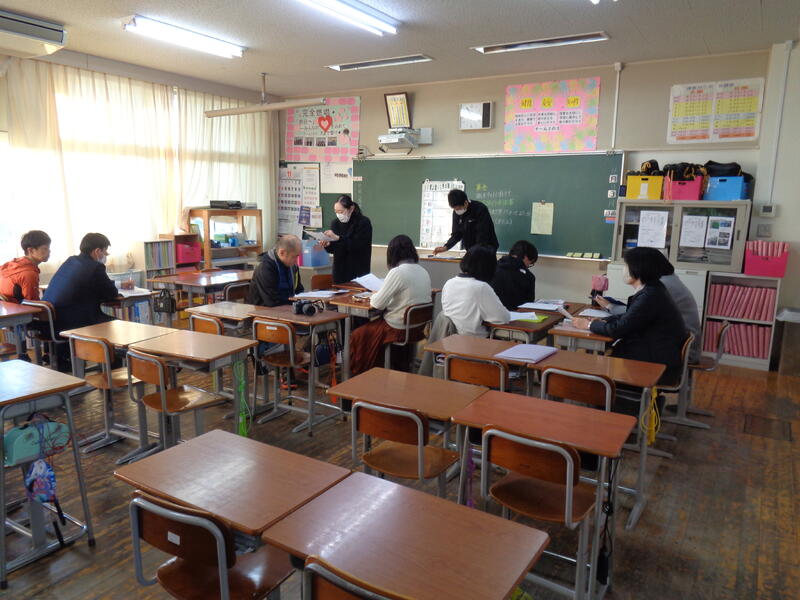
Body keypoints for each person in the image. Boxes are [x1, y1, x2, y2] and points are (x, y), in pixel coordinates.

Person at [571, 246, 688, 383]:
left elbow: (618, 330)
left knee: (592, 371)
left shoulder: (650, 296)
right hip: (655, 354)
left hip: (654, 364)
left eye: (626, 265)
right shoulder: (653, 289)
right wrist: (606, 320)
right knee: (598, 363)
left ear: (639, 268)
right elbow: (630, 316)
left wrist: (588, 325)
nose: (624, 270)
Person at [596, 248, 701, 364]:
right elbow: (637, 313)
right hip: (667, 344)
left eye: (627, 265)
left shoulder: (658, 288)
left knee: (610, 354)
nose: (624, 269)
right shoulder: (660, 283)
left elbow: (635, 315)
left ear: (642, 266)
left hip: (670, 350)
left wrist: (609, 308)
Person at [348, 235, 432, 375]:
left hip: (398, 329)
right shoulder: (422, 271)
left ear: (392, 253)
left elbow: (377, 304)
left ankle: (362, 375)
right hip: (418, 328)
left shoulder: (397, 272)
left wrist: (375, 294)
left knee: (358, 334)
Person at [43, 233, 119, 369]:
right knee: (116, 325)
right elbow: (111, 294)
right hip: (74, 323)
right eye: (105, 252)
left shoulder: (70, 261)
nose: (106, 256)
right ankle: (112, 368)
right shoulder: (95, 267)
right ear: (97, 251)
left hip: (51, 322)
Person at [441, 245, 509, 337]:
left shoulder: (449, 283)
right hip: (474, 341)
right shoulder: (481, 287)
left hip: (449, 340)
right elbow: (503, 318)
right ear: (489, 267)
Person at [320, 194, 372, 284]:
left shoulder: (363, 222)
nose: (338, 215)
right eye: (336, 212)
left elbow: (358, 246)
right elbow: (334, 249)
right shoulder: (335, 223)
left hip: (358, 270)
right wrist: (328, 245)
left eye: (341, 211)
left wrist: (338, 238)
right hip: (339, 272)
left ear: (351, 209)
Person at [433, 189, 498, 255]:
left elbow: (482, 234)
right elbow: (456, 234)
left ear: (466, 203)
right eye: (455, 209)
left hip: (486, 249)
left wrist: (474, 253)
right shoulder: (456, 212)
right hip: (471, 250)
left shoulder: (480, 209)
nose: (457, 211)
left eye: (459, 208)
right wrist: (446, 247)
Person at [248, 235, 304, 306]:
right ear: (282, 253)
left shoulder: (293, 266)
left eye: (297, 256)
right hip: (264, 309)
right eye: (294, 256)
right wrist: (294, 304)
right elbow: (271, 301)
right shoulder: (265, 268)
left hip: (287, 307)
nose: (296, 261)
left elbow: (298, 290)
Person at [0, 230, 51, 302]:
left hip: (6, 307)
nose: (49, 251)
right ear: (31, 250)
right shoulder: (28, 274)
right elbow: (33, 303)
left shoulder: (12, 264)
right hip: (19, 308)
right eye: (45, 248)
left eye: (49, 248)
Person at [491, 240, 538, 310]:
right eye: (530, 263)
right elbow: (529, 304)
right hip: (517, 315)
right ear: (526, 257)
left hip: (492, 313)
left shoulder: (492, 268)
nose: (528, 266)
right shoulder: (529, 276)